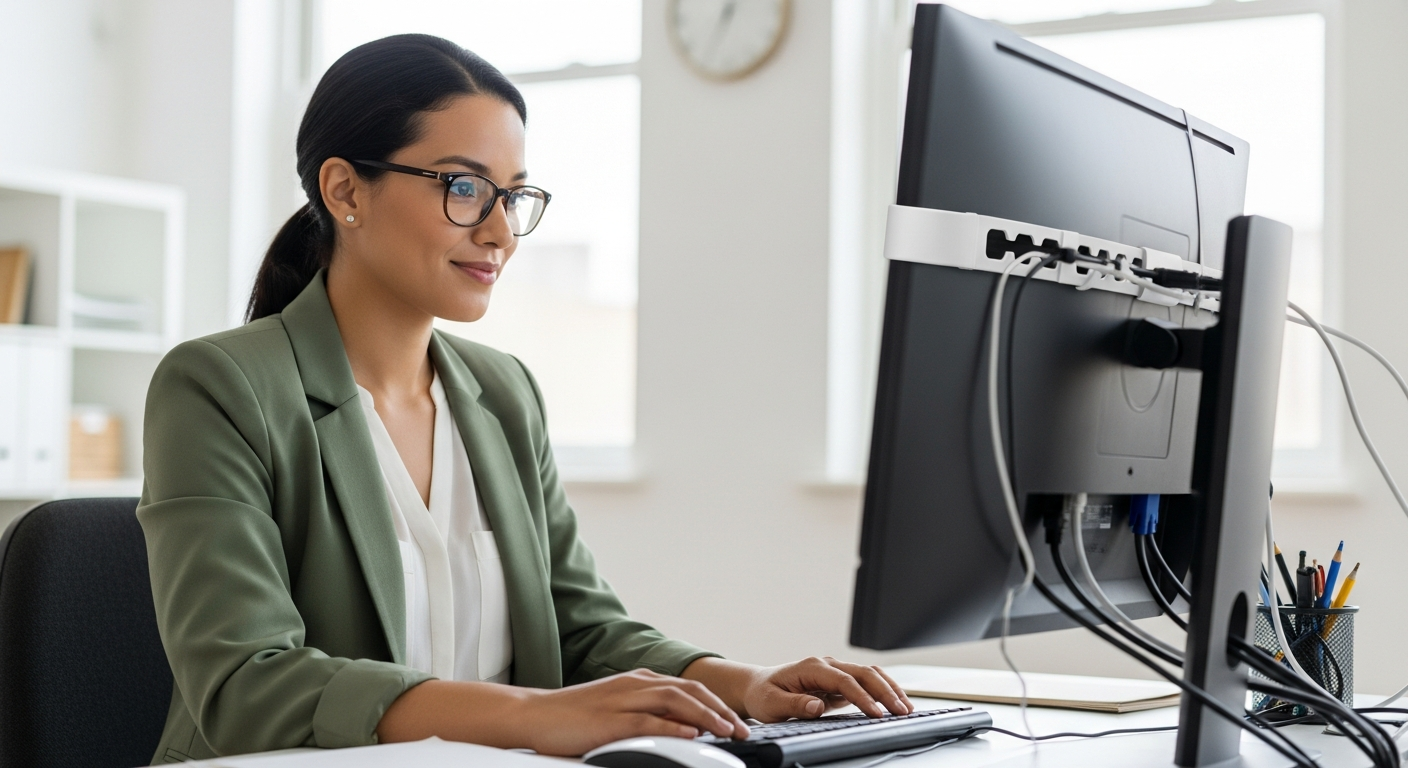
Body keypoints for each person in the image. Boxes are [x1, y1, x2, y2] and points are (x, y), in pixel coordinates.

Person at [138, 33, 911, 765]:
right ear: (345, 189)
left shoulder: (502, 392)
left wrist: (736, 681)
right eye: (466, 188)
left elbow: (582, 627)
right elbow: (246, 683)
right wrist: (532, 717)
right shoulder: (219, 385)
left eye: (514, 196)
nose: (501, 231)